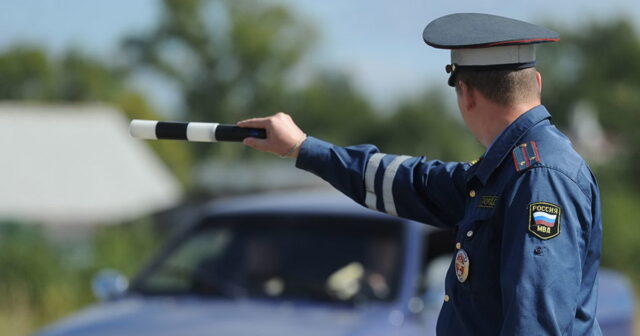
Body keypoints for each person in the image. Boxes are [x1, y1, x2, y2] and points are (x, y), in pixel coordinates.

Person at [238, 13, 602, 335]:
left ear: (466, 93)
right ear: (536, 82)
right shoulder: (508, 169)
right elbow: (412, 181)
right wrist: (302, 147)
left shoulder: (538, 176)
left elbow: (535, 324)